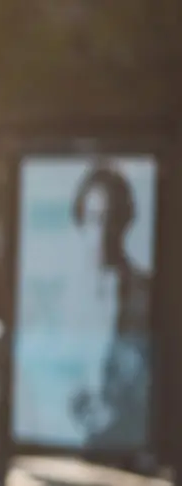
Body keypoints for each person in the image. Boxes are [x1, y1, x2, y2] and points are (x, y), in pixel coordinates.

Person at [66, 165, 150, 451]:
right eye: (92, 219)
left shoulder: (145, 293)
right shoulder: (70, 295)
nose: (100, 234)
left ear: (124, 223)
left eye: (109, 221)